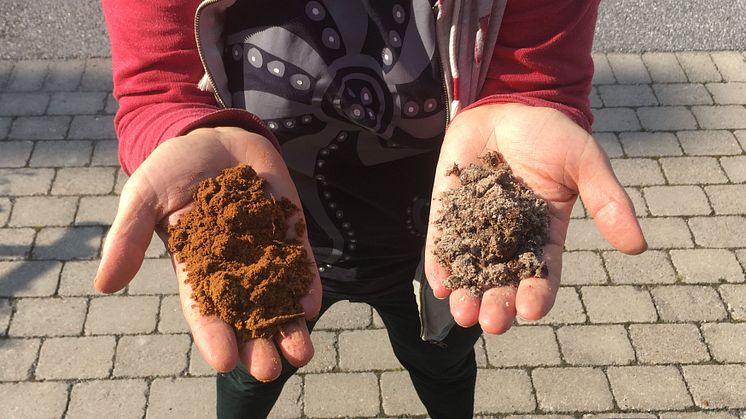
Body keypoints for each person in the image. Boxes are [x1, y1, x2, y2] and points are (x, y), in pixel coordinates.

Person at [96, 0, 647, 417]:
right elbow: (157, 84)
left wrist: (530, 101)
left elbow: (536, 59)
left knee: (443, 361)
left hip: (437, 250)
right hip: (281, 236)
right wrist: (177, 132)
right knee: (249, 371)